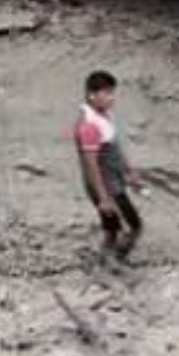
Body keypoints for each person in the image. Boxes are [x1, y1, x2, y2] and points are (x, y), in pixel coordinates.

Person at [74, 70, 143, 261]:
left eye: (113, 93)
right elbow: (91, 164)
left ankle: (108, 261)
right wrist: (103, 197)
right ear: (92, 94)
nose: (112, 98)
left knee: (113, 228)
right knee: (132, 226)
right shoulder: (89, 126)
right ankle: (112, 264)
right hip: (107, 188)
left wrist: (130, 171)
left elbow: (116, 147)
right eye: (108, 93)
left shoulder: (104, 116)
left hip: (114, 183)